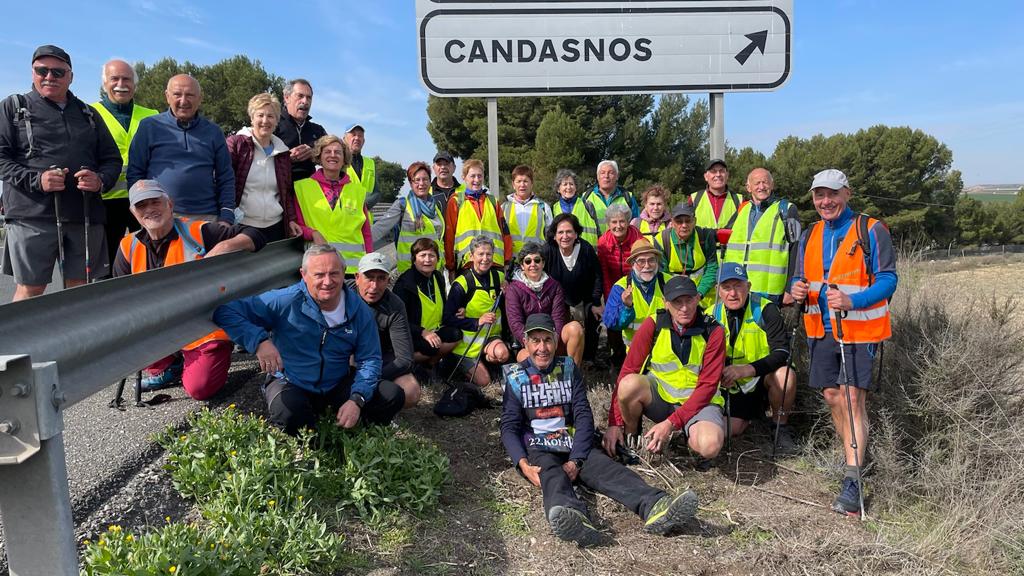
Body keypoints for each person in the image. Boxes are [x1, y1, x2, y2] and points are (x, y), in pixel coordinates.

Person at [500, 313, 699, 547]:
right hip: (539, 446)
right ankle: (574, 520)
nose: (542, 348)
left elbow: (583, 415)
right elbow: (509, 426)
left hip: (572, 440)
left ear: (555, 340)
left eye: (547, 340)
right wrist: (523, 464)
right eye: (535, 341)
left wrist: (576, 460)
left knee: (608, 470)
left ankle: (656, 505)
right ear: (525, 343)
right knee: (553, 476)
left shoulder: (568, 368)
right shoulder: (515, 377)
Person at [789, 168, 897, 517]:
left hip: (859, 331)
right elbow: (800, 278)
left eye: (832, 194)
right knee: (833, 397)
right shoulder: (809, 234)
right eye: (819, 195)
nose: (826, 201)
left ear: (847, 193)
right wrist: (797, 289)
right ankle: (852, 458)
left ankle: (853, 480)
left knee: (852, 398)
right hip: (820, 330)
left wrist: (854, 301)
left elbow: (888, 280)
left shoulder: (871, 229)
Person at [213, 244, 405, 435]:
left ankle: (357, 434)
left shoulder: (359, 310)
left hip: (335, 382)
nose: (327, 282)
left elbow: (369, 358)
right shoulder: (285, 300)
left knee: (391, 395)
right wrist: (259, 342)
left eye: (334, 273)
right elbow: (226, 312)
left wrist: (357, 398)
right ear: (304, 275)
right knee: (289, 411)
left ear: (344, 272)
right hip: (292, 380)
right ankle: (309, 441)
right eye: (319, 275)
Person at [115, 180, 265, 398]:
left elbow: (256, 235)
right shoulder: (127, 246)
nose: (149, 209)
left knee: (200, 388)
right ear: (133, 213)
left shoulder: (198, 231)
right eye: (141, 205)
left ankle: (202, 359)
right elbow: (119, 300)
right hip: (161, 326)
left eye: (155, 202)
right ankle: (171, 365)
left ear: (170, 204)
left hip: (204, 328)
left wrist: (223, 246)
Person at [1, 44, 122, 300]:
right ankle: (25, 330)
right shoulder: (14, 107)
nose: (49, 77)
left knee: (80, 288)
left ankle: (76, 330)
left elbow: (112, 159)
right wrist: (37, 180)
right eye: (42, 71)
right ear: (32, 73)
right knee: (32, 289)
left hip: (84, 215)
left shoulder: (88, 114)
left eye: (58, 72)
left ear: (71, 76)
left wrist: (100, 180)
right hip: (32, 217)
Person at [603, 276, 727, 463]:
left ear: (697, 299)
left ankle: (686, 438)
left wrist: (671, 424)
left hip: (699, 404)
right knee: (628, 384)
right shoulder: (653, 323)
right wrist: (615, 424)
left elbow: (708, 387)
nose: (684, 308)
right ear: (665, 303)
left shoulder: (714, 331)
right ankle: (631, 439)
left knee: (710, 446)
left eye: (689, 300)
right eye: (677, 302)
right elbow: (627, 370)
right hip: (661, 398)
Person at [709, 263, 797, 452]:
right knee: (730, 429)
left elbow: (782, 352)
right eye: (726, 287)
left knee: (785, 375)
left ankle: (780, 427)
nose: (733, 293)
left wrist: (746, 370)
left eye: (738, 286)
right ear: (718, 290)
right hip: (731, 384)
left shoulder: (766, 309)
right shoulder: (710, 314)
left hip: (761, 378)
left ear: (748, 286)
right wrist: (719, 375)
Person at [127, 74, 235, 223]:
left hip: (206, 217)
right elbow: (135, 173)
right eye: (177, 94)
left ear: (200, 98)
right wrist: (142, 210)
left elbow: (225, 176)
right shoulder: (149, 126)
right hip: (160, 217)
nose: (183, 101)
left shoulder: (214, 131)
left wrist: (227, 215)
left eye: (190, 95)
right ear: (167, 96)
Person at [90, 59, 158, 270]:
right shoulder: (88, 113)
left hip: (144, 197)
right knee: (108, 264)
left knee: (149, 259)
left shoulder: (152, 115)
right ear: (104, 83)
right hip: (105, 200)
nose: (121, 84)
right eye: (115, 79)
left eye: (127, 79)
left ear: (135, 84)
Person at [349, 252, 420, 409]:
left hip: (378, 357)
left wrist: (369, 376)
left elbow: (404, 359)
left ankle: (376, 407)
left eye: (381, 278)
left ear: (388, 280)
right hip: (345, 353)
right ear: (357, 277)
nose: (374, 286)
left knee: (411, 391)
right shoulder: (341, 293)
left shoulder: (395, 305)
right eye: (369, 278)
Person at [226, 93, 301, 242]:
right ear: (252, 118)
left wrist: (291, 219)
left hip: (275, 227)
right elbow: (223, 183)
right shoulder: (236, 144)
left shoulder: (283, 153)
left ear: (277, 121)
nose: (265, 121)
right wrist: (225, 216)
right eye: (260, 115)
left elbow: (286, 192)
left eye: (271, 116)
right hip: (242, 226)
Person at [293, 135, 371, 276]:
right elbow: (296, 224)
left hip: (354, 270)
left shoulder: (358, 191)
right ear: (319, 156)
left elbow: (365, 232)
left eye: (338, 152)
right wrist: (313, 233)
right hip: (320, 268)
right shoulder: (301, 188)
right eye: (327, 152)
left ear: (344, 158)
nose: (333, 155)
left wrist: (369, 264)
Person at [723, 168, 801, 304]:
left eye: (765, 182)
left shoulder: (786, 210)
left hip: (771, 293)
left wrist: (790, 288)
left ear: (772, 185)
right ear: (748, 187)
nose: (761, 187)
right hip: (740, 291)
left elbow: (797, 251)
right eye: (757, 183)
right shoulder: (742, 210)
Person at [442, 236, 510, 388]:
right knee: (484, 382)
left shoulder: (499, 277)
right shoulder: (461, 283)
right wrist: (477, 321)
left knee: (502, 354)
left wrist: (508, 292)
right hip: (466, 347)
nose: (485, 258)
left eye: (489, 254)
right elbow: (447, 319)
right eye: (480, 254)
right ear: (471, 256)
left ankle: (485, 362)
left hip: (490, 337)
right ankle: (455, 364)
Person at [505, 242, 584, 366]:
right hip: (529, 341)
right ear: (522, 266)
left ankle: (572, 373)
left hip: (552, 337)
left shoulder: (555, 286)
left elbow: (558, 317)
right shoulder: (513, 289)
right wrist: (532, 343)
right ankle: (544, 377)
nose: (533, 264)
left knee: (575, 328)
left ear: (543, 263)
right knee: (524, 357)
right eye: (528, 261)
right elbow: (515, 323)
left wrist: (552, 340)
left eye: (537, 260)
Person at [542, 213, 603, 363]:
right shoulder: (548, 250)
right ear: (554, 235)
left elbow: (597, 276)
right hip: (557, 299)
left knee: (593, 316)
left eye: (569, 231)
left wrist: (596, 302)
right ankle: (559, 357)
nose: (565, 236)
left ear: (576, 234)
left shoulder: (586, 249)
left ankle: (588, 359)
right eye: (560, 232)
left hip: (584, 297)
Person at [393, 238, 461, 369]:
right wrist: (423, 332)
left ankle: (432, 363)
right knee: (431, 347)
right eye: (422, 255)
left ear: (437, 259)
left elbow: (443, 306)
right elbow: (398, 320)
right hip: (413, 334)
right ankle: (412, 364)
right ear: (414, 259)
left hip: (436, 329)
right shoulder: (405, 284)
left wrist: (457, 311)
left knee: (457, 334)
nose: (427, 260)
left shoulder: (438, 277)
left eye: (432, 255)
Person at [371, 161, 445, 273]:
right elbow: (380, 228)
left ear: (430, 182)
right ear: (411, 183)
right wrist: (358, 243)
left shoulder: (435, 207)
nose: (421, 183)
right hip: (410, 271)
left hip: (435, 269)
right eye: (417, 180)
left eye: (425, 179)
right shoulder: (402, 205)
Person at [443, 159, 512, 275]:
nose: (477, 180)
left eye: (480, 176)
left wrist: (507, 261)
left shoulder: (493, 202)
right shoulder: (456, 201)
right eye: (472, 176)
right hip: (467, 265)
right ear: (464, 177)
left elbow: (505, 233)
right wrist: (451, 267)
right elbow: (449, 237)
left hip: (494, 264)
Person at [603, 238, 673, 350]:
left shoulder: (670, 282)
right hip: (635, 351)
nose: (647, 266)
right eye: (641, 261)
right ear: (632, 264)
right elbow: (611, 324)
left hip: (666, 349)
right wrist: (627, 307)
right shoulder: (620, 287)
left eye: (652, 260)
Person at [596, 203, 641, 364]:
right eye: (614, 222)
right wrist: (610, 297)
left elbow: (641, 269)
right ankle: (617, 356)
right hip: (613, 284)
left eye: (622, 221)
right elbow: (604, 271)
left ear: (628, 221)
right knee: (613, 319)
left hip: (634, 284)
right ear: (608, 224)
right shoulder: (603, 242)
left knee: (633, 319)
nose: (618, 226)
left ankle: (635, 354)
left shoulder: (638, 240)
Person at [658, 202, 718, 309]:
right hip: (675, 298)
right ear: (672, 222)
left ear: (695, 221)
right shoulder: (661, 240)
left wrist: (699, 294)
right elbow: (662, 274)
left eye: (688, 221)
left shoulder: (705, 236)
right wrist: (679, 295)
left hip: (704, 299)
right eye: (679, 221)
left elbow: (712, 268)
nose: (684, 225)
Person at [274, 79, 327, 183]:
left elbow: (334, 155)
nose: (305, 101)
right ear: (287, 98)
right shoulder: (273, 125)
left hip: (309, 190)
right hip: (279, 188)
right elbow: (259, 159)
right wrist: (286, 158)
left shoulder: (318, 130)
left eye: (309, 98)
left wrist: (314, 153)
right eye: (300, 96)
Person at [502, 165, 553, 256]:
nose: (522, 185)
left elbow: (551, 237)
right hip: (511, 260)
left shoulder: (543, 207)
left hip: (536, 260)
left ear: (532, 183)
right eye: (519, 181)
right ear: (513, 184)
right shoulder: (504, 207)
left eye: (525, 181)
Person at [551, 169, 600, 248]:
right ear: (558, 189)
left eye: (571, 184)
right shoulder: (553, 209)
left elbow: (598, 232)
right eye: (565, 184)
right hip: (564, 252)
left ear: (576, 187)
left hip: (587, 251)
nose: (568, 187)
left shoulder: (587, 205)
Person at [582, 160, 639, 224]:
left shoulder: (628, 197)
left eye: (611, 173)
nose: (606, 176)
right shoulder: (586, 197)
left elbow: (636, 224)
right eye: (602, 173)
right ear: (598, 176)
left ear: (617, 176)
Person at [690, 158, 741, 231]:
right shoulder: (694, 199)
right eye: (713, 171)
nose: (718, 174)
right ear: (706, 177)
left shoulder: (739, 200)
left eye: (722, 171)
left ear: (727, 175)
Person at [344, 124, 378, 210]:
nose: (357, 138)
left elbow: (377, 192)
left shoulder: (370, 163)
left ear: (363, 141)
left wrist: (364, 205)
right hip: (344, 214)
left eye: (360, 136)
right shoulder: (339, 161)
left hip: (365, 215)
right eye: (353, 135)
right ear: (344, 139)